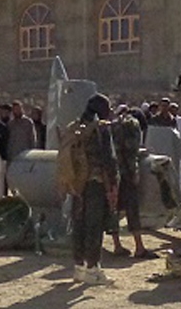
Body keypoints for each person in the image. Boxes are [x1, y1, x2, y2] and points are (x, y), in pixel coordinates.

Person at [66, 94, 119, 286]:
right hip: (96, 183)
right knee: (94, 225)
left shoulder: (76, 126)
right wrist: (112, 185)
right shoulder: (101, 128)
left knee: (78, 223)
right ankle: (93, 269)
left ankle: (79, 267)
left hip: (77, 184)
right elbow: (109, 159)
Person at [109, 106, 156, 259]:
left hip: (112, 172)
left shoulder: (113, 124)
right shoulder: (133, 124)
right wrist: (134, 173)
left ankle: (116, 245)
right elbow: (131, 152)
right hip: (126, 173)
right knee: (132, 208)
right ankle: (139, 247)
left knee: (114, 208)